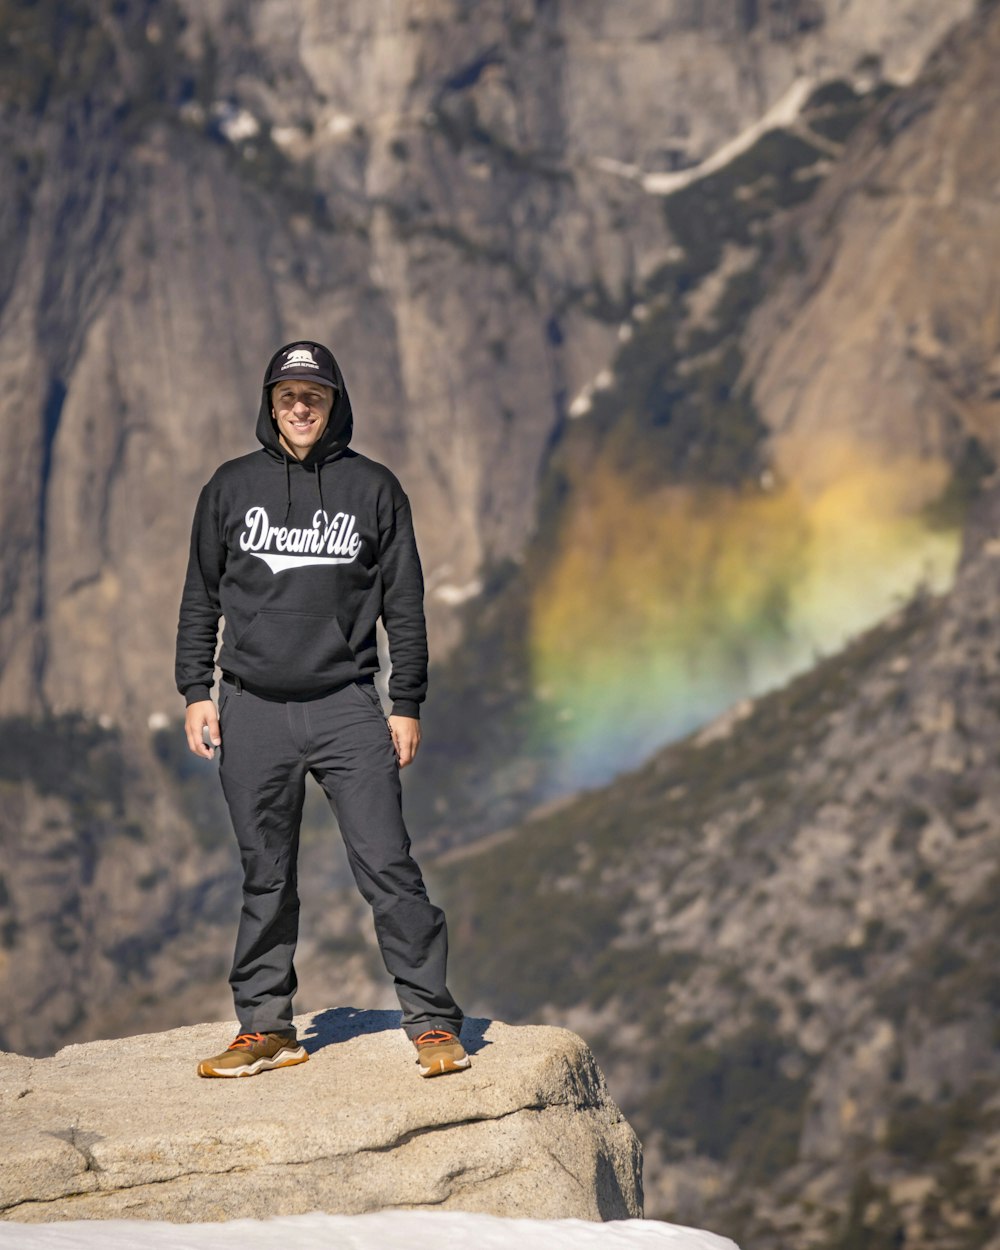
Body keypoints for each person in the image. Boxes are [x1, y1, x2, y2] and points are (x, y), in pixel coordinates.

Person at [175, 340, 468, 1080]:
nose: (300, 408)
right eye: (287, 396)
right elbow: (201, 597)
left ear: (335, 404)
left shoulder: (373, 488)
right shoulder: (230, 487)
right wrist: (193, 691)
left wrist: (406, 701)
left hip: (346, 706)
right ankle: (266, 1026)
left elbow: (404, 603)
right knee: (265, 874)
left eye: (314, 396)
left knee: (388, 864)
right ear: (268, 404)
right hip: (252, 708)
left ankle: (431, 1019)